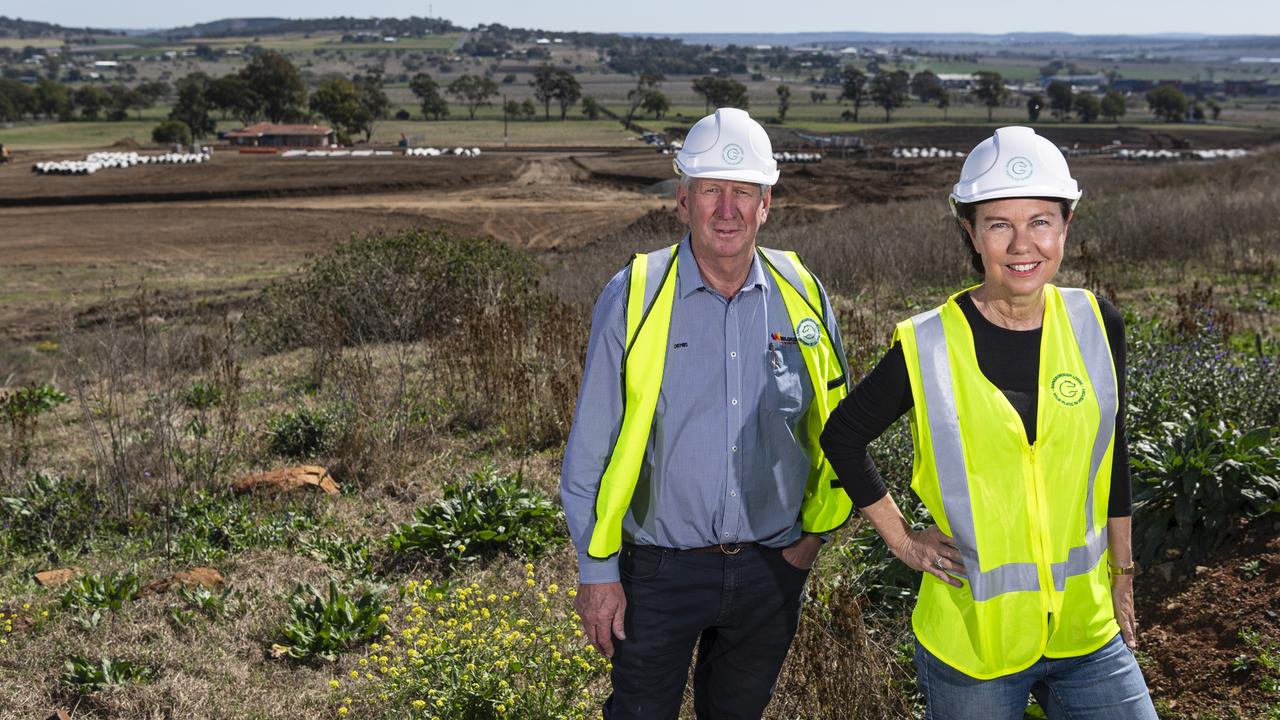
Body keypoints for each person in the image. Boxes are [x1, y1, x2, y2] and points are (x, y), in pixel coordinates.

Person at [820, 126, 1158, 719]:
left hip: (1086, 631)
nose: (1022, 243)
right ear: (971, 233)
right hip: (973, 643)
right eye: (1000, 223)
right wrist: (902, 539)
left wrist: (1124, 572)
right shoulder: (927, 344)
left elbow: (1113, 456)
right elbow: (841, 435)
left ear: (1065, 227)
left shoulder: (1096, 322)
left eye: (1041, 221)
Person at [560, 107, 853, 719]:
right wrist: (597, 570)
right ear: (682, 200)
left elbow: (838, 428)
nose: (727, 210)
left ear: (765, 204)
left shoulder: (805, 294)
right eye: (711, 191)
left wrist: (811, 540)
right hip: (657, 575)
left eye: (742, 193)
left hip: (772, 569)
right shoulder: (635, 294)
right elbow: (590, 448)